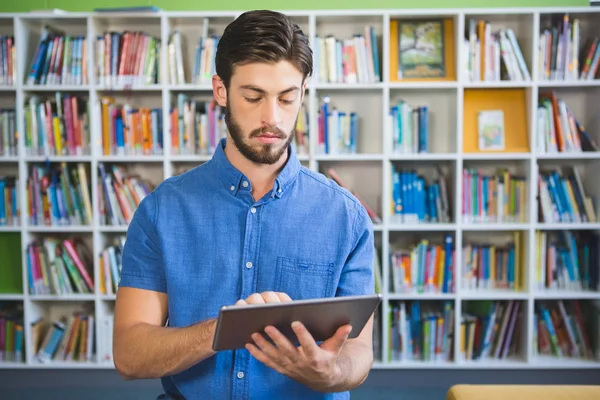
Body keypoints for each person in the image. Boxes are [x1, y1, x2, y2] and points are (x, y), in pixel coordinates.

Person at [113, 9, 376, 400]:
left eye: (287, 98)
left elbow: (358, 350)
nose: (271, 118)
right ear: (220, 90)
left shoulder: (347, 216)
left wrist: (332, 372)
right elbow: (130, 355)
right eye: (253, 96)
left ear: (304, 91)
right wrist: (224, 329)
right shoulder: (161, 210)